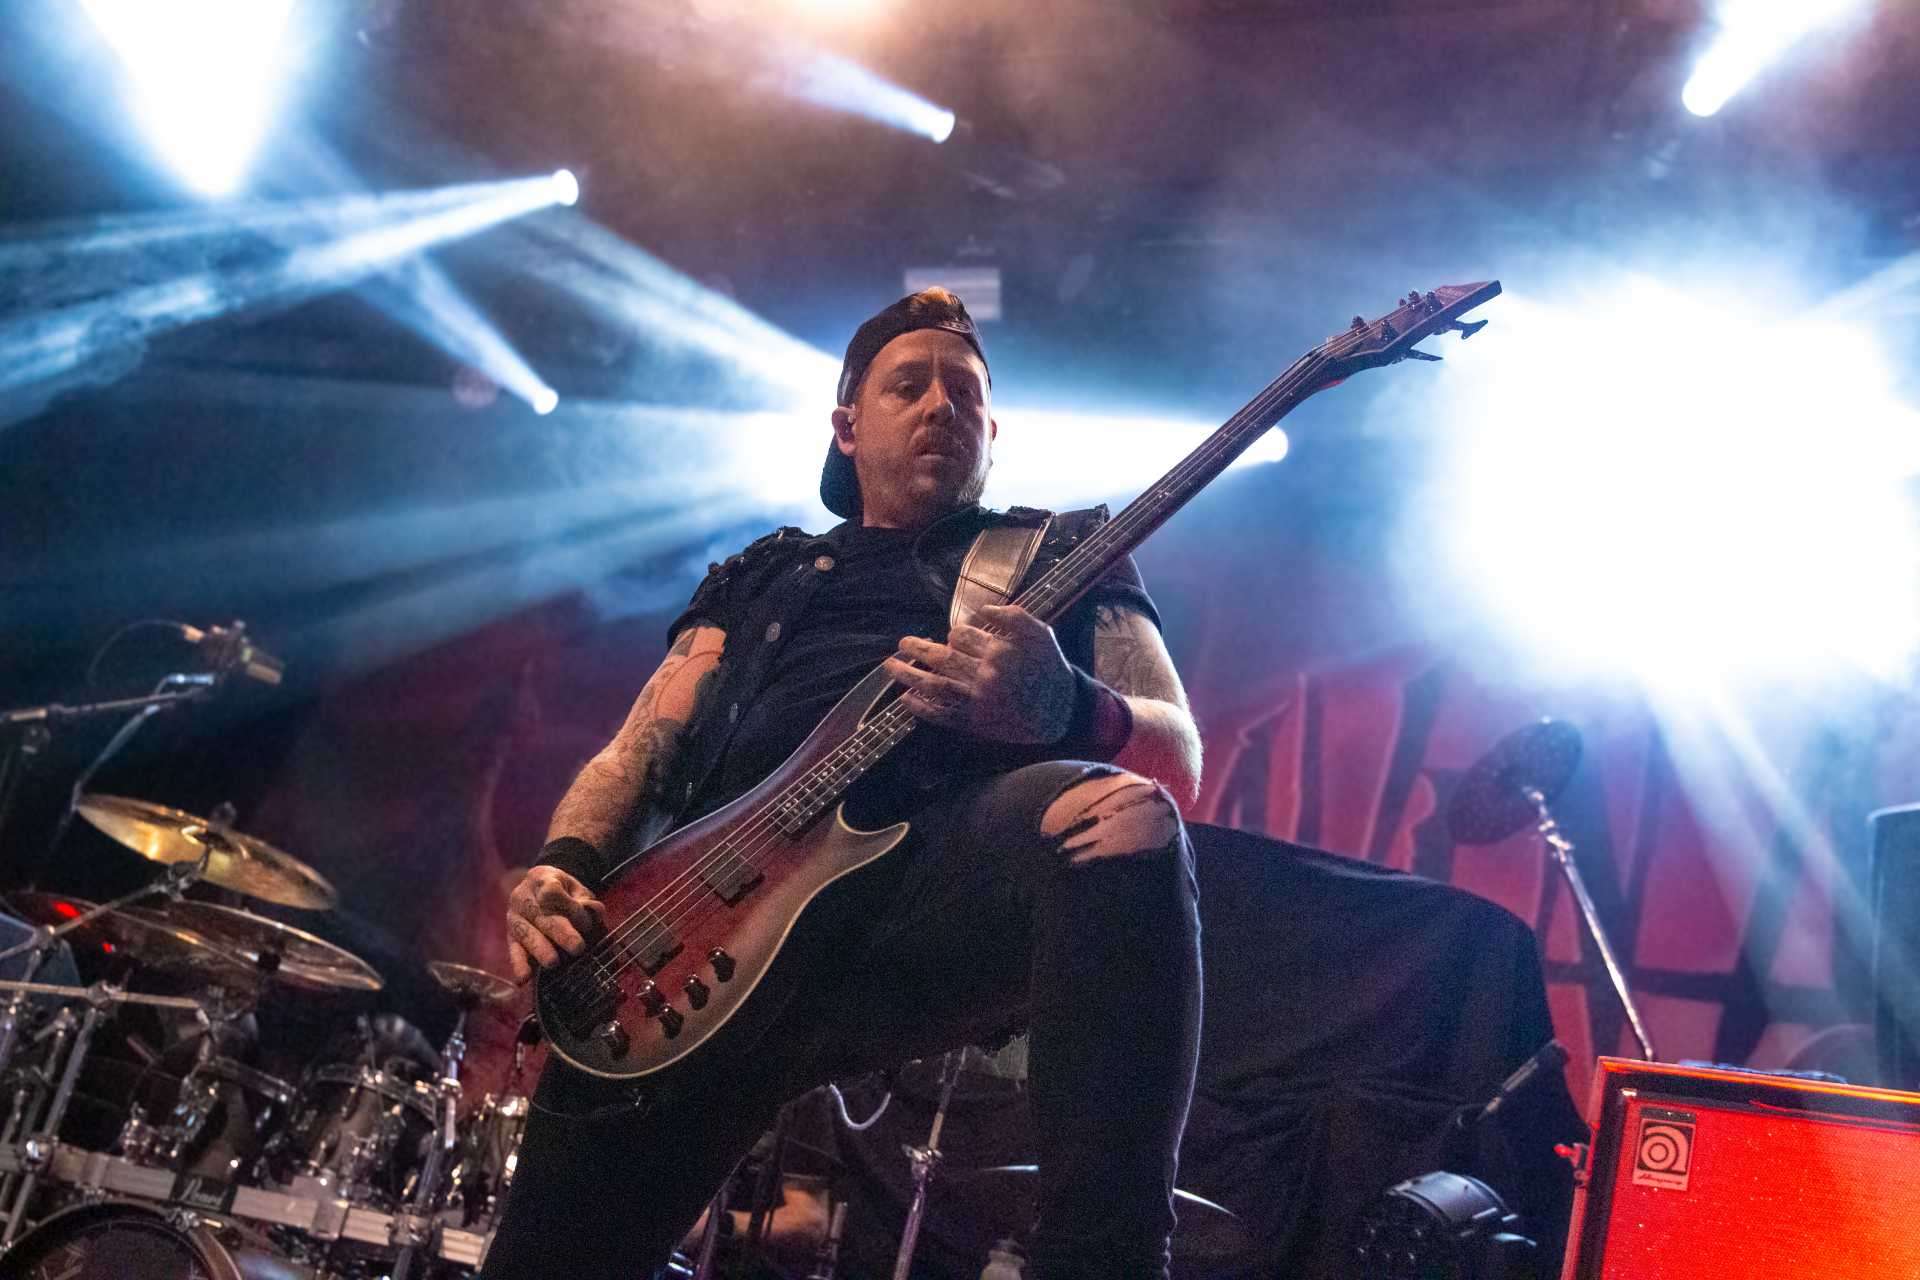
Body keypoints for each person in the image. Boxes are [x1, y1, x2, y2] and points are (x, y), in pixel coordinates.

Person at [483, 288, 1203, 1280]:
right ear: (847, 426)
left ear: (993, 431)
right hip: (690, 931)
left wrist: (1068, 706)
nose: (941, 403)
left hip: (913, 893)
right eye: (908, 385)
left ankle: (1104, 1261)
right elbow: (641, 742)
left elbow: (1176, 756)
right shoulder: (763, 570)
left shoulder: (1059, 553)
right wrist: (566, 861)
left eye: (965, 391)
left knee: (1120, 816)